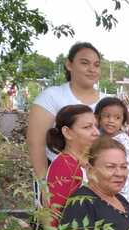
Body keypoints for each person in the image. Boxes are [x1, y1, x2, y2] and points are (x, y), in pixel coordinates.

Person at [27, 42, 104, 204]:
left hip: (99, 181)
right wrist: (44, 185)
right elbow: (36, 144)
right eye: (84, 63)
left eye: (96, 65)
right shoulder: (52, 96)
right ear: (69, 64)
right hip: (60, 180)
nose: (92, 69)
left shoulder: (108, 102)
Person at [45, 104, 99, 226]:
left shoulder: (83, 163)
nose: (96, 132)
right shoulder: (64, 166)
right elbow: (56, 217)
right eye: (87, 127)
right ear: (67, 132)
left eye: (96, 126)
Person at [95, 97, 129, 200]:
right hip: (100, 186)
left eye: (117, 118)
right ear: (98, 117)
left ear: (123, 121)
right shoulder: (96, 136)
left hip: (121, 188)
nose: (111, 121)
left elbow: (124, 168)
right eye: (107, 116)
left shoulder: (123, 140)